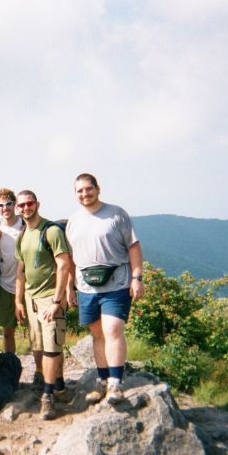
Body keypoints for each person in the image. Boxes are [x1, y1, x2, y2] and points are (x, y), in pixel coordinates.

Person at [66, 173, 144, 406]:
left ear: (98, 189)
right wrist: (70, 287)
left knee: (113, 329)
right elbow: (71, 258)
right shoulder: (73, 221)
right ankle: (102, 380)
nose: (84, 194)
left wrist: (137, 277)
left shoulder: (116, 214)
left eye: (88, 189)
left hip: (117, 281)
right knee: (97, 334)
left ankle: (115, 383)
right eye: (79, 191)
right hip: (86, 286)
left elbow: (134, 246)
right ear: (75, 194)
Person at [14, 190, 71, 420]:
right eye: (22, 205)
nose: (26, 208)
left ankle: (48, 397)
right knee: (38, 347)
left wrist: (58, 301)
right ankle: (58, 385)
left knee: (51, 348)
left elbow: (64, 265)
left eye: (30, 203)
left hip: (50, 298)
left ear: (37, 204)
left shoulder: (52, 231)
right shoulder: (23, 234)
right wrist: (18, 301)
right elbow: (21, 271)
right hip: (31, 299)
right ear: (18, 209)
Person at [0, 188, 33, 365]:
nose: (5, 208)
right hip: (6, 286)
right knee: (7, 332)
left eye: (9, 204)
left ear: (15, 205)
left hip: (29, 286)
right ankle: (10, 367)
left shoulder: (26, 226)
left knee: (34, 331)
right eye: (1, 205)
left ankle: (41, 373)